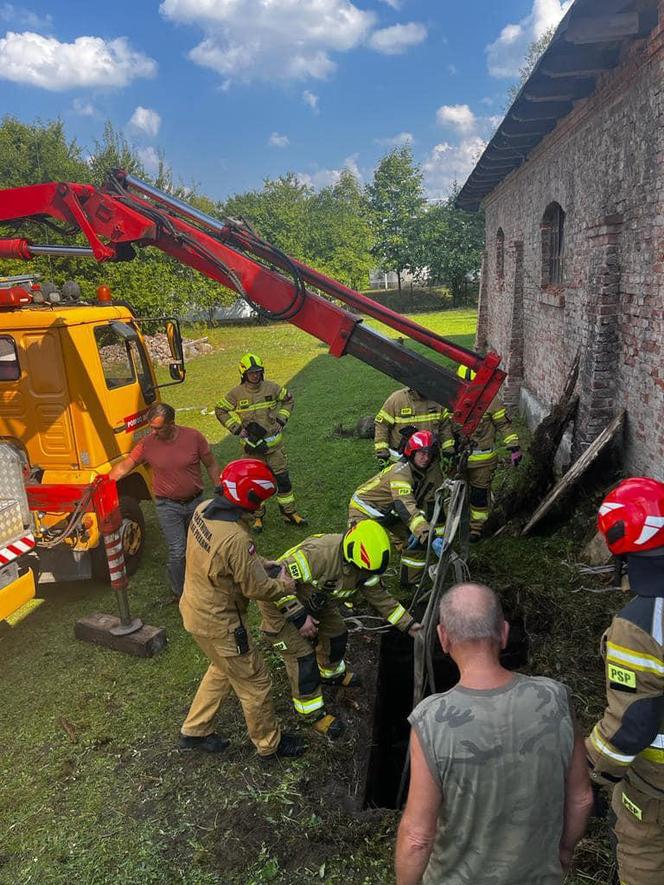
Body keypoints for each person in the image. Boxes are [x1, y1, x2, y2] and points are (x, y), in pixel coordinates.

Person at [396, 582, 593, 885]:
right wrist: (563, 852)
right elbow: (581, 799)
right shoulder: (555, 699)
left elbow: (417, 837)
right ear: (503, 632)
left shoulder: (431, 720)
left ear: (443, 638)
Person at [178, 458, 316, 759]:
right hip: (222, 624)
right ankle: (270, 745)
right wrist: (284, 586)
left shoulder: (204, 511)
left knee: (223, 668)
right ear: (250, 499)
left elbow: (226, 560)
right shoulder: (237, 539)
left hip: (193, 610)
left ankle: (195, 729)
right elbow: (255, 588)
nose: (260, 507)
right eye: (260, 501)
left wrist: (260, 564)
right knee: (255, 681)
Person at [257, 520, 421, 739]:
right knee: (303, 658)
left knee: (337, 633)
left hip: (315, 600)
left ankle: (331, 674)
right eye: (362, 570)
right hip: (279, 605)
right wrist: (299, 618)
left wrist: (409, 625)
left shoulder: (365, 567)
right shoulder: (318, 555)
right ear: (352, 556)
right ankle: (311, 713)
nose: (364, 575)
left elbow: (380, 598)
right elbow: (273, 581)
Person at [587, 477, 664, 885]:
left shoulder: (638, 626)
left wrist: (590, 770)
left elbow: (632, 727)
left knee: (643, 859)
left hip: (655, 790)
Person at [109, 402, 220, 599]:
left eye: (158, 428)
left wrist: (220, 489)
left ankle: (205, 585)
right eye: (152, 427)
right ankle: (180, 594)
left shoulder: (193, 437)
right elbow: (127, 465)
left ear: (172, 423)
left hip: (195, 503)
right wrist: (105, 481)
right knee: (178, 550)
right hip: (168, 506)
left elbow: (211, 464)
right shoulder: (147, 444)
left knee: (200, 546)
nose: (154, 432)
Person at [214, 352, 306, 531]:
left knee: (284, 481)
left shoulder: (272, 388)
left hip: (274, 449)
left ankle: (289, 513)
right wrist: (236, 429)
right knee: (254, 485)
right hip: (252, 451)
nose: (255, 375)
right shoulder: (236, 394)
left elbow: (288, 400)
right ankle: (257, 517)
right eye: (251, 372)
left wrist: (281, 419)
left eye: (258, 371)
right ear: (244, 374)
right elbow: (220, 409)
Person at [349, 430, 446, 585]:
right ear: (411, 452)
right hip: (364, 509)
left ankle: (409, 581)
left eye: (429, 454)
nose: (426, 458)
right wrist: (431, 537)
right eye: (421, 453)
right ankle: (353, 589)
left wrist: (424, 532)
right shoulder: (400, 473)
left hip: (388, 511)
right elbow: (405, 506)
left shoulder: (422, 470)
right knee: (361, 550)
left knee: (416, 540)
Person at [457, 366, 521, 542]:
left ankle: (476, 529)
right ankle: (455, 525)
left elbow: (504, 425)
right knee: (455, 493)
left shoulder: (492, 402)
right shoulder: (454, 398)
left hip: (483, 460)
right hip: (458, 459)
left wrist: (514, 446)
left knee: (479, 495)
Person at [374, 387, 455, 466]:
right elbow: (382, 424)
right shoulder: (397, 400)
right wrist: (382, 450)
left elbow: (445, 427)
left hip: (429, 460)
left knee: (434, 479)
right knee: (401, 479)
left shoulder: (437, 401)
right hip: (401, 461)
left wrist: (448, 450)